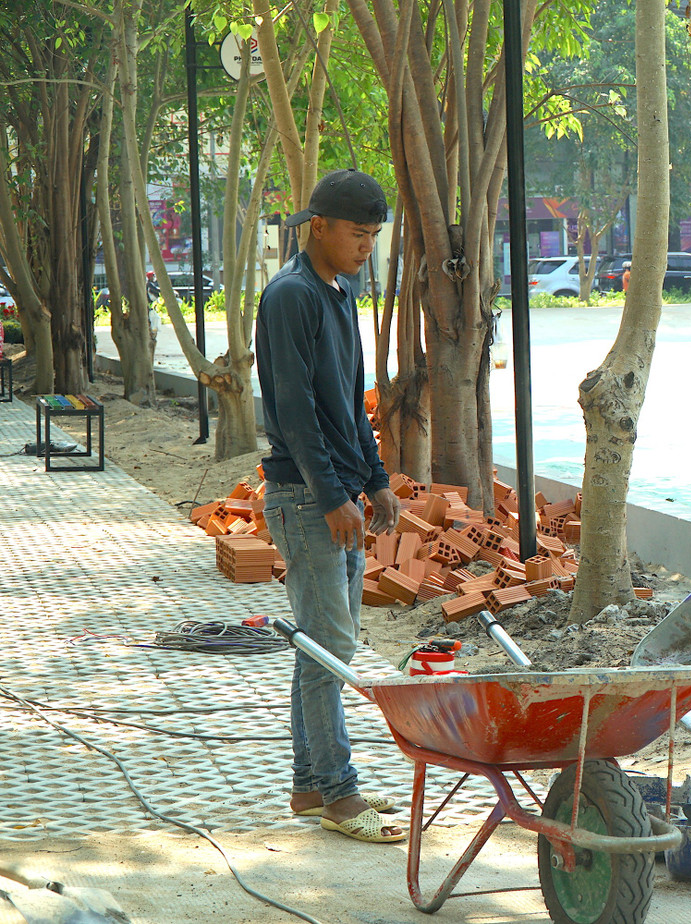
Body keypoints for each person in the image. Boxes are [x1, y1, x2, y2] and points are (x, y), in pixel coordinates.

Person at [256, 168, 406, 844]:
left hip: (339, 492)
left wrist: (374, 481)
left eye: (374, 237)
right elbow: (293, 410)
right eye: (357, 234)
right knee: (330, 649)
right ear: (319, 226)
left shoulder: (340, 293)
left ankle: (310, 784)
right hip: (304, 494)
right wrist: (330, 496)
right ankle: (339, 792)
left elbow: (350, 400)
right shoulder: (290, 296)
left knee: (319, 647)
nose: (365, 247)